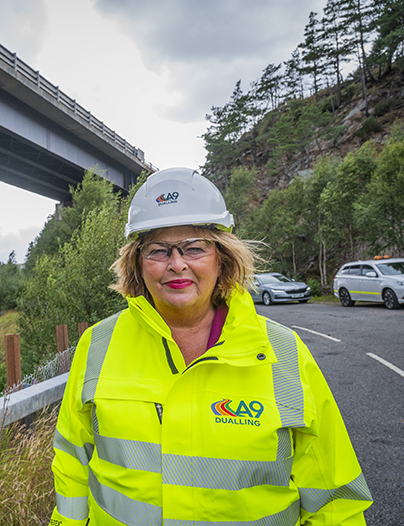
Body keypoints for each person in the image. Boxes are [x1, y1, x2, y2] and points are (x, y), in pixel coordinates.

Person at [49, 167, 372, 526]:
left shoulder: (283, 352)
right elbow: (72, 466)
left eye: (194, 248)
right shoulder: (98, 344)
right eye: (158, 250)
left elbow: (334, 500)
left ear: (222, 258)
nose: (177, 264)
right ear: (137, 264)